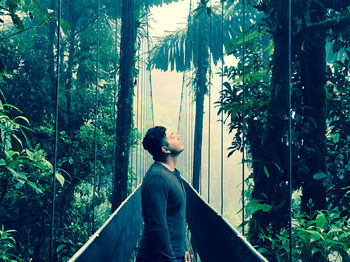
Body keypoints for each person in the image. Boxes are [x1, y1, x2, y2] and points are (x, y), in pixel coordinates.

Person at [136, 126, 191, 262]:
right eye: (172, 136)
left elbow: (175, 217)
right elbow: (157, 225)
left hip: (173, 254)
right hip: (157, 257)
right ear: (165, 149)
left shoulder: (173, 174)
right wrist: (170, 259)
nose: (178, 136)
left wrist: (182, 248)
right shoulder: (157, 178)